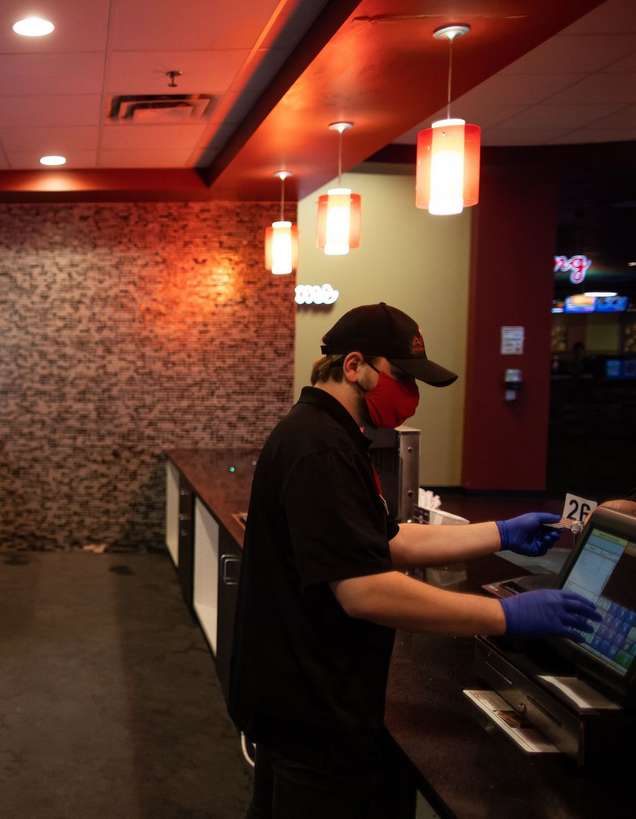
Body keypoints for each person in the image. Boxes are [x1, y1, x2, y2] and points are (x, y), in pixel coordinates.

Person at [229, 303, 602, 819]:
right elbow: (365, 590)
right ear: (354, 365)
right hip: (311, 708)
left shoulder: (330, 435)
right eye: (401, 377)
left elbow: (390, 541)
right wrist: (506, 616)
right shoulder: (320, 447)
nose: (411, 394)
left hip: (302, 699)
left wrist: (499, 533)